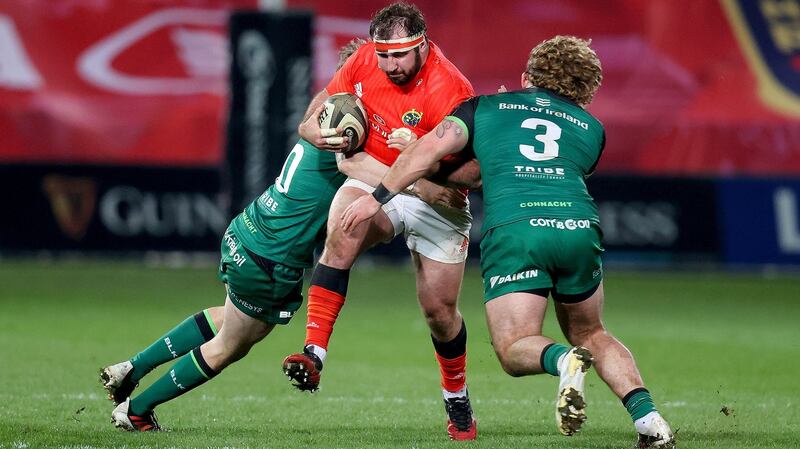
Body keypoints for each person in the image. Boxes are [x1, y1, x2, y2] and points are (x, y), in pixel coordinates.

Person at [340, 36, 677, 448]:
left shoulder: (485, 108)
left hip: (517, 229)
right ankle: (650, 422)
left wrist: (377, 197)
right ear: (585, 91)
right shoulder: (592, 129)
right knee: (591, 331)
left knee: (515, 347)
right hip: (578, 227)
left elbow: (433, 155)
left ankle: (564, 361)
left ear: (525, 77)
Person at [98, 39, 366, 431]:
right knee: (230, 346)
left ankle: (131, 368)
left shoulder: (325, 113)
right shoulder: (348, 128)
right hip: (271, 257)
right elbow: (378, 171)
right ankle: (136, 411)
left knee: (231, 319)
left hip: (249, 230)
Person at [280, 2, 479, 441]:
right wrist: (309, 126)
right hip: (375, 179)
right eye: (383, 55)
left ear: (422, 45)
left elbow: (473, 176)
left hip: (437, 203)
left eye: (399, 56)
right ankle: (314, 353)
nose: (388, 65)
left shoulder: (451, 88)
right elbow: (330, 97)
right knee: (342, 232)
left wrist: (424, 159)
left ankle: (456, 397)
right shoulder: (367, 57)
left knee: (439, 313)